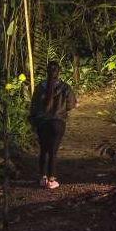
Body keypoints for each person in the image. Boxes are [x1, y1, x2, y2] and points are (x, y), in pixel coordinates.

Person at [28, 61, 77, 189]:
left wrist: (34, 120)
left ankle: (42, 178)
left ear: (47, 71)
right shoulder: (65, 87)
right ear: (58, 72)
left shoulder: (40, 87)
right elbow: (71, 104)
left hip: (42, 122)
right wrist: (61, 109)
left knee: (43, 150)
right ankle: (51, 180)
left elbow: (33, 106)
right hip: (58, 123)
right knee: (53, 152)